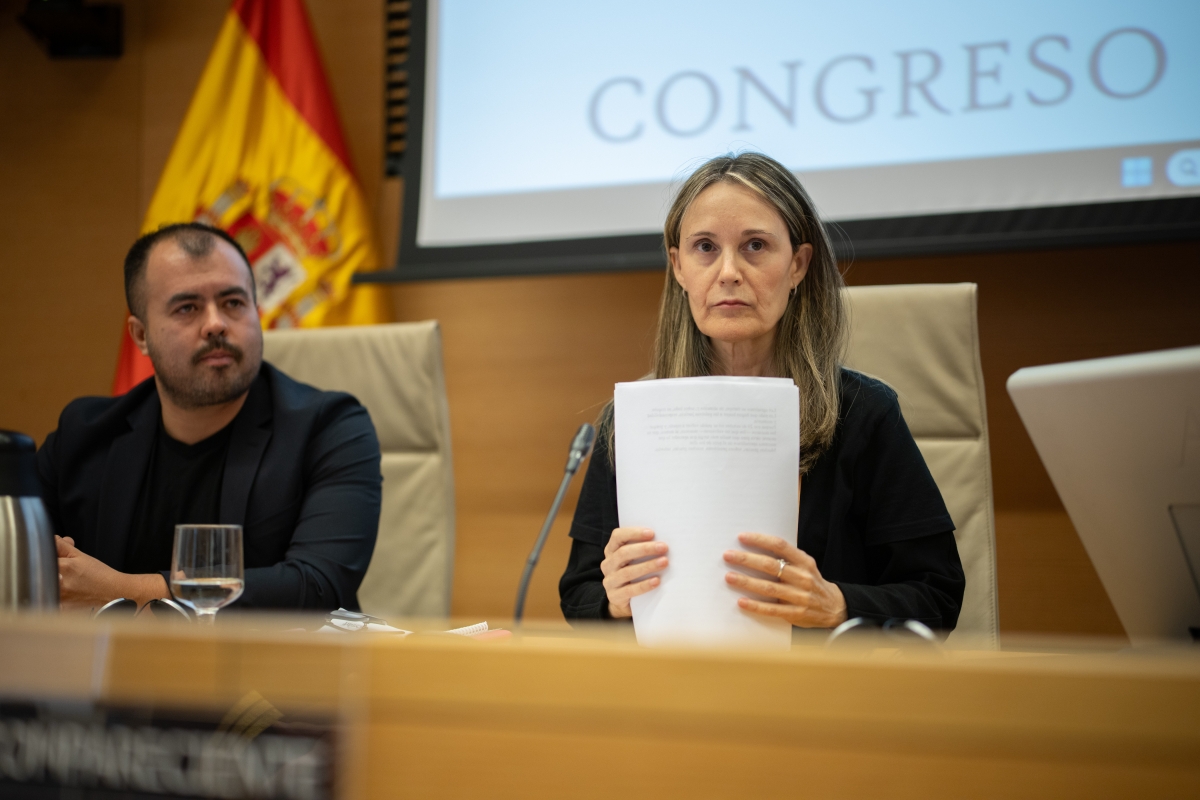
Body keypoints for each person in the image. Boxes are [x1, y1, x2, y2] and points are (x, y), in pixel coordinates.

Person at [559, 153, 964, 631]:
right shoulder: (633, 419)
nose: (728, 271)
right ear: (679, 267)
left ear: (798, 264)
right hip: (674, 691)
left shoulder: (863, 413)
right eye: (705, 247)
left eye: (754, 245)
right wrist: (614, 599)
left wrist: (838, 605)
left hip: (820, 692)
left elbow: (937, 595)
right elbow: (579, 594)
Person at [37, 222, 382, 612]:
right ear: (140, 335)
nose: (216, 323)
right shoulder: (84, 433)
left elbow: (317, 586)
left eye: (234, 303)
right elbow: (23, 561)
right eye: (187, 308)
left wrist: (125, 590)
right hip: (108, 668)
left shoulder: (329, 427)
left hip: (274, 668)